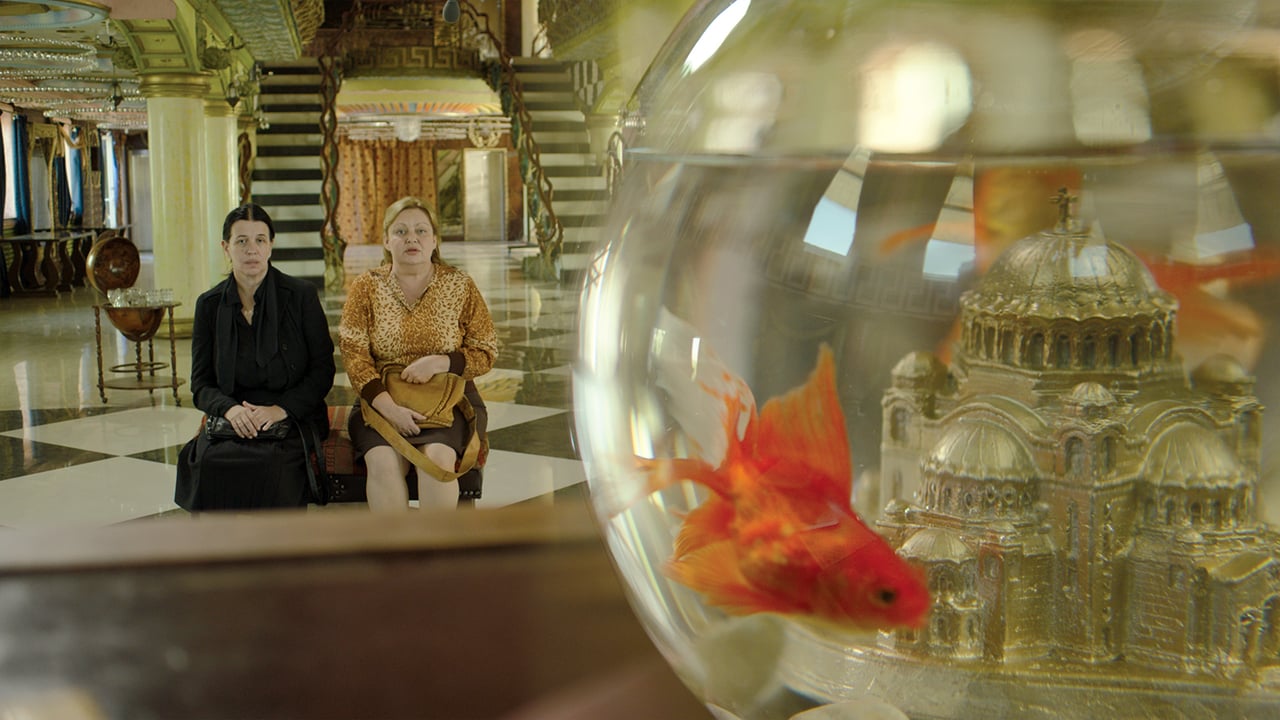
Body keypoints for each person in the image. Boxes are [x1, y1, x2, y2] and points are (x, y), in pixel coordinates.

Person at [339, 196, 498, 511]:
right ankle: (398, 543)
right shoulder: (366, 287)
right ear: (387, 241)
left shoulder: (459, 285)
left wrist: (440, 362)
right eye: (400, 231)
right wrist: (391, 409)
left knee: (437, 459)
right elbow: (354, 356)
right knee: (383, 462)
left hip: (449, 401)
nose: (411, 238)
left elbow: (486, 350)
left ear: (434, 240)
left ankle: (434, 543)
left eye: (421, 231)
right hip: (382, 398)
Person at [175, 203, 335, 510]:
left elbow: (322, 370)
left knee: (274, 467)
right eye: (241, 241)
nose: (252, 249)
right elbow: (201, 384)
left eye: (260, 240)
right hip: (234, 414)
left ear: (271, 245)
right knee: (208, 464)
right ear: (226, 247)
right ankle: (224, 542)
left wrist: (280, 409)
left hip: (290, 413)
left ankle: (273, 541)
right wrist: (230, 410)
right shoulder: (209, 305)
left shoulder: (301, 296)